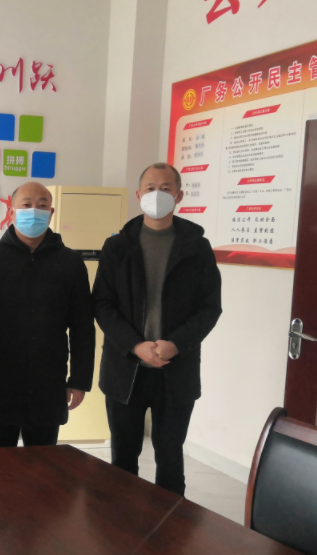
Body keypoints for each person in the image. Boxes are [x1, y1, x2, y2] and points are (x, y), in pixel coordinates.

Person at [93, 162, 222, 496]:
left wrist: (176, 344)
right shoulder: (117, 246)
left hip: (176, 371)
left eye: (166, 188)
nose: (157, 194)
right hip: (125, 369)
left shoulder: (197, 247)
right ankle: (123, 524)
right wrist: (135, 345)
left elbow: (209, 308)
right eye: (150, 188)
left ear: (179, 196)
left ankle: (170, 526)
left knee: (170, 460)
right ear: (138, 195)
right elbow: (103, 305)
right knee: (123, 460)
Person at [0, 181, 96, 447]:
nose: (34, 211)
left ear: (51, 213)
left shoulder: (70, 263)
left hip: (49, 383)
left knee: (44, 463)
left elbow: (82, 327)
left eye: (42, 205)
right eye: (26, 205)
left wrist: (80, 380)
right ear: (11, 212)